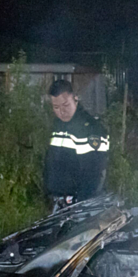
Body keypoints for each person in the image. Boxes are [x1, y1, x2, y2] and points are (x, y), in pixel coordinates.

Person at [44, 79, 110, 212]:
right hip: (58, 202)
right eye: (56, 107)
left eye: (66, 105)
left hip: (78, 205)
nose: (62, 111)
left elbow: (94, 173)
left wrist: (82, 205)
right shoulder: (59, 126)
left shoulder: (91, 128)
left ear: (75, 98)